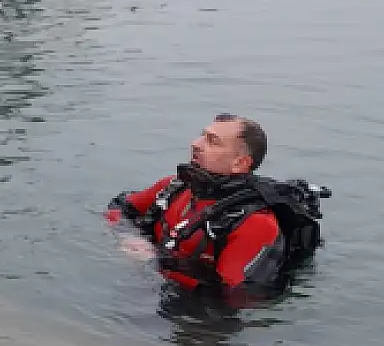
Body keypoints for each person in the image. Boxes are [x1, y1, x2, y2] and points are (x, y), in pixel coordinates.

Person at [107, 113, 328, 301]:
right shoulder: (173, 187)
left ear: (240, 163)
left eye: (212, 141)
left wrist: (155, 260)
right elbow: (118, 208)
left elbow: (231, 297)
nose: (195, 143)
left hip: (200, 320)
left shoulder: (255, 223)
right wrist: (128, 235)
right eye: (201, 135)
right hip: (155, 290)